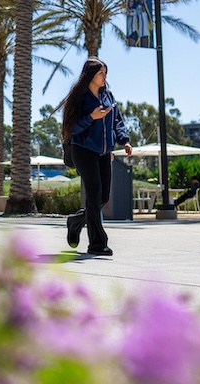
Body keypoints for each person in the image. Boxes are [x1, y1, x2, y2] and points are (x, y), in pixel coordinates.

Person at [61, 57, 131, 256]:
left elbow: (117, 121)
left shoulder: (108, 96)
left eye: (105, 73)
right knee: (94, 192)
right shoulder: (80, 98)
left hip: (103, 152)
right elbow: (71, 128)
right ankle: (97, 244)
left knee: (102, 197)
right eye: (101, 73)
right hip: (83, 150)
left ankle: (75, 221)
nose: (105, 77)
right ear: (91, 75)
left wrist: (124, 140)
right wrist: (91, 117)